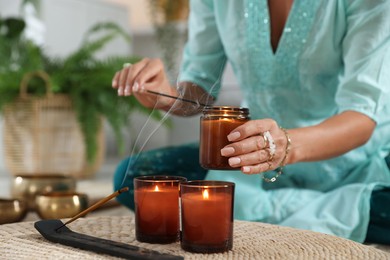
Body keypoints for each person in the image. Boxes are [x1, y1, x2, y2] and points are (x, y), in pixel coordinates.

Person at [111, 0, 390, 244]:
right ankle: (320, 215)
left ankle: (263, 212)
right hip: (252, 159)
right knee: (135, 176)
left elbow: (361, 117)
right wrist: (165, 96)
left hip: (356, 162)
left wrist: (285, 146)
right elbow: (198, 91)